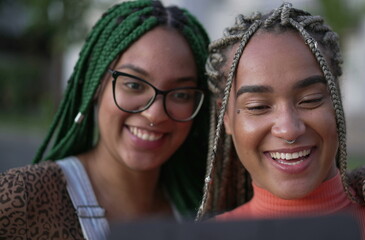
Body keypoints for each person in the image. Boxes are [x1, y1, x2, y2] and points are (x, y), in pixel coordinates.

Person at [197, 2, 365, 240]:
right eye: (258, 106)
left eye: (310, 100)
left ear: (336, 100)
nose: (288, 129)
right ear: (226, 117)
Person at [0, 1, 210, 239]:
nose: (155, 114)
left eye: (181, 94)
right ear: (97, 85)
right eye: (134, 84)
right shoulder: (22, 197)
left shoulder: (205, 208)